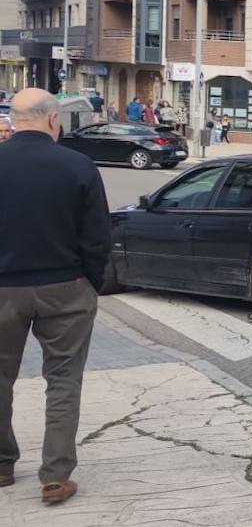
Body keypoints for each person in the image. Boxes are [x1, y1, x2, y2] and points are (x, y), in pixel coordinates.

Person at [0, 89, 111, 506]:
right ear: (51, 120)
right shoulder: (78, 166)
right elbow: (98, 236)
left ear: (13, 121)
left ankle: (2, 464)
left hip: (2, 288)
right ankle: (55, 475)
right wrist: (91, 282)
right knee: (63, 380)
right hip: (66, 287)